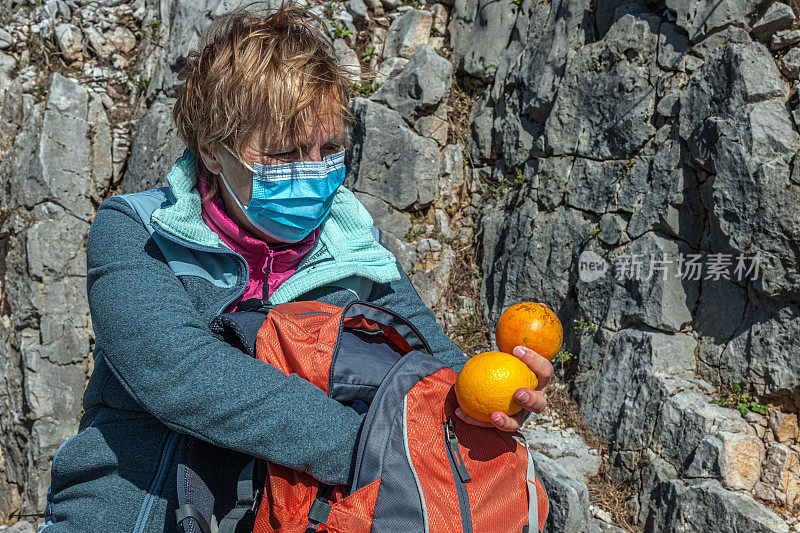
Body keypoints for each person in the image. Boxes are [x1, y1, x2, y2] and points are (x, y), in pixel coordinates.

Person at [40, 3, 553, 531]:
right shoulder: (137, 231)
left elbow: (433, 366)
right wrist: (371, 450)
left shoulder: (355, 248)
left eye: (329, 148)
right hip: (137, 511)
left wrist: (483, 405)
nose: (311, 171)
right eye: (283, 154)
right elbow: (180, 371)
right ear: (214, 152)